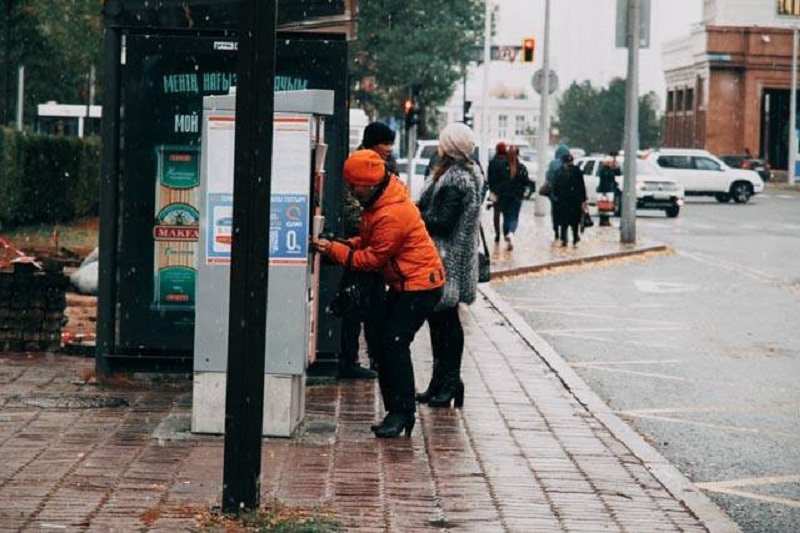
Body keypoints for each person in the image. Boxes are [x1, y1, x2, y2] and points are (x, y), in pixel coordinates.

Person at [313, 150, 445, 438]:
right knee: (383, 343)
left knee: (393, 343)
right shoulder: (380, 201)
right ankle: (396, 411)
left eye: (353, 186)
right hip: (404, 283)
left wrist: (335, 250)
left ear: (367, 184)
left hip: (420, 286)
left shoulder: (391, 212)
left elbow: (372, 259)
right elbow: (371, 241)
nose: (351, 190)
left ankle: (402, 413)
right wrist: (344, 243)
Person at [415, 123, 483, 409]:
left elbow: (443, 222)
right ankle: (441, 383)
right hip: (442, 255)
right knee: (439, 321)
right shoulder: (448, 174)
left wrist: (415, 215)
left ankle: (450, 383)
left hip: (447, 257)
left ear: (450, 147)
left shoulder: (456, 180)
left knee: (446, 321)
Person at [338, 122, 398, 379]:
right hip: (361, 243)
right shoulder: (357, 165)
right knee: (355, 305)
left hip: (376, 245)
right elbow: (352, 210)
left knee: (376, 307)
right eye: (385, 143)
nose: (389, 149)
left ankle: (376, 357)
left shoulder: (386, 168)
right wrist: (372, 224)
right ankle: (350, 360)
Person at [487, 143, 529, 250]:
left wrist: (495, 192)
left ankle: (504, 234)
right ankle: (510, 233)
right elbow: (526, 182)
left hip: (503, 195)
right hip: (516, 195)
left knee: (505, 216)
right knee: (513, 216)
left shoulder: (500, 165)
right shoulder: (522, 168)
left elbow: (496, 181)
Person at [552, 153, 587, 247]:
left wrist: (556, 197)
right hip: (574, 200)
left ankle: (565, 239)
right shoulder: (577, 171)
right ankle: (574, 238)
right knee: (574, 221)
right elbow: (581, 186)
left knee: (564, 221)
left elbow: (555, 187)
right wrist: (583, 199)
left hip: (564, 200)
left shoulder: (559, 171)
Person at [545, 144, 571, 240]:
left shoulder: (552, 163)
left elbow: (548, 177)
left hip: (554, 194)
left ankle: (556, 230)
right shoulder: (569, 163)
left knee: (555, 212)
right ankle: (564, 232)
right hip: (566, 194)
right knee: (566, 212)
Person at [597, 152, 621, 227]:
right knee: (603, 206)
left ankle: (606, 220)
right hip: (604, 190)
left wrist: (616, 166)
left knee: (608, 206)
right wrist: (604, 191)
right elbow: (604, 179)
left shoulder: (610, 169)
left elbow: (618, 173)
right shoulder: (603, 170)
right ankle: (603, 221)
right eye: (610, 162)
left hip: (609, 189)